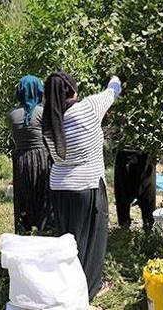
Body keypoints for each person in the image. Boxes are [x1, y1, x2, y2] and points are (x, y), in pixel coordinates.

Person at [42, 72, 121, 300]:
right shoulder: (87, 108)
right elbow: (113, 90)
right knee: (91, 241)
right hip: (86, 186)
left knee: (67, 241)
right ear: (73, 90)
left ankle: (68, 285)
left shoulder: (49, 119)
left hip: (59, 186)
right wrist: (114, 75)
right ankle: (88, 291)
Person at [8, 75, 54, 235]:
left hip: (21, 159)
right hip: (42, 158)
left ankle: (24, 232)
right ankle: (45, 232)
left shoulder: (12, 114)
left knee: (24, 197)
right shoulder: (43, 112)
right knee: (44, 197)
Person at [114, 148, 156, 230]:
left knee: (147, 195)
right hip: (124, 149)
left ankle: (150, 229)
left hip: (145, 151)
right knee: (122, 195)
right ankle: (124, 229)